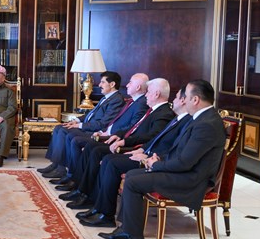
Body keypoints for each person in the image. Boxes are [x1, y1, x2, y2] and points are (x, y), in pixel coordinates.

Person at [105, 80, 226, 239]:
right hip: (185, 172)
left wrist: (156, 164)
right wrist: (159, 158)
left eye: (186, 97)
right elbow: (180, 152)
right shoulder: (202, 118)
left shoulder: (206, 124)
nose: (183, 100)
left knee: (133, 182)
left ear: (195, 100)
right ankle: (126, 230)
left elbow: (185, 162)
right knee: (132, 175)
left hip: (191, 180)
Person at [78, 86, 191, 230]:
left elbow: (169, 146)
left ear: (183, 101)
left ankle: (106, 214)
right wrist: (141, 149)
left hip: (155, 160)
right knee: (107, 160)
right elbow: (155, 139)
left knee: (111, 162)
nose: (173, 100)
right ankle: (100, 209)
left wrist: (147, 155)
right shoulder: (176, 118)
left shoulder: (171, 116)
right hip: (144, 152)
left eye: (176, 97)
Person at [60, 78, 175, 212]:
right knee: (93, 148)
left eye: (148, 92)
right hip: (130, 143)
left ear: (156, 94)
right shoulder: (153, 110)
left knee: (102, 155)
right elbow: (134, 127)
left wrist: (127, 142)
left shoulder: (164, 113)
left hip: (136, 148)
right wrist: (119, 135)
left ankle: (95, 203)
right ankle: (83, 192)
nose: (146, 95)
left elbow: (151, 137)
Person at [52, 73, 150, 192]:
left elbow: (132, 127)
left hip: (112, 137)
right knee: (63, 129)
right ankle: (66, 172)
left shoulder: (138, 103)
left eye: (130, 82)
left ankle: (74, 180)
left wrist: (108, 133)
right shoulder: (130, 101)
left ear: (138, 87)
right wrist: (78, 121)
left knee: (75, 139)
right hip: (104, 132)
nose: (127, 85)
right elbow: (95, 115)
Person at [38, 71, 126, 179]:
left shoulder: (116, 100)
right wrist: (76, 120)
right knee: (59, 127)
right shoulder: (106, 97)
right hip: (89, 126)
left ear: (112, 84)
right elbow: (91, 114)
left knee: (63, 131)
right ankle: (55, 164)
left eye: (103, 82)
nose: (99, 85)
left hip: (94, 131)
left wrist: (80, 126)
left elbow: (103, 124)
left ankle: (60, 169)